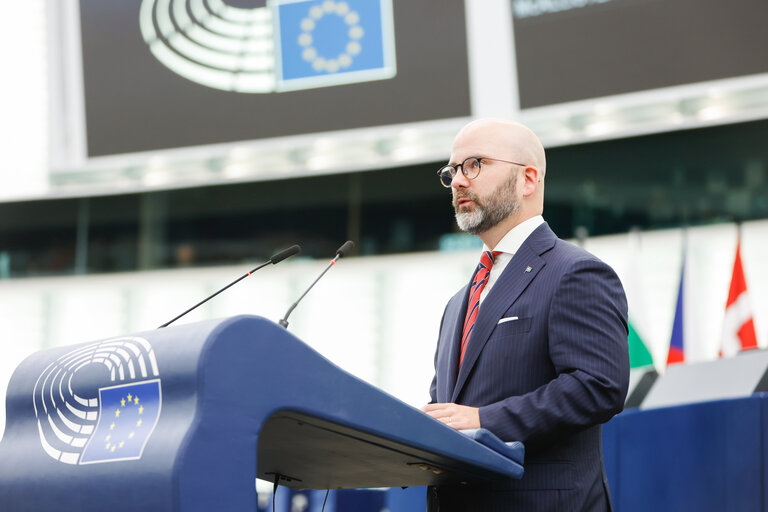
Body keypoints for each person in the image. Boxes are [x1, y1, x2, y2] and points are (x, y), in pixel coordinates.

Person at [422, 118, 629, 511]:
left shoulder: (575, 272)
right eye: (452, 171)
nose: (459, 181)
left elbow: (599, 385)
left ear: (528, 179)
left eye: (475, 164)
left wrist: (484, 420)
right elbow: (451, 412)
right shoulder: (456, 305)